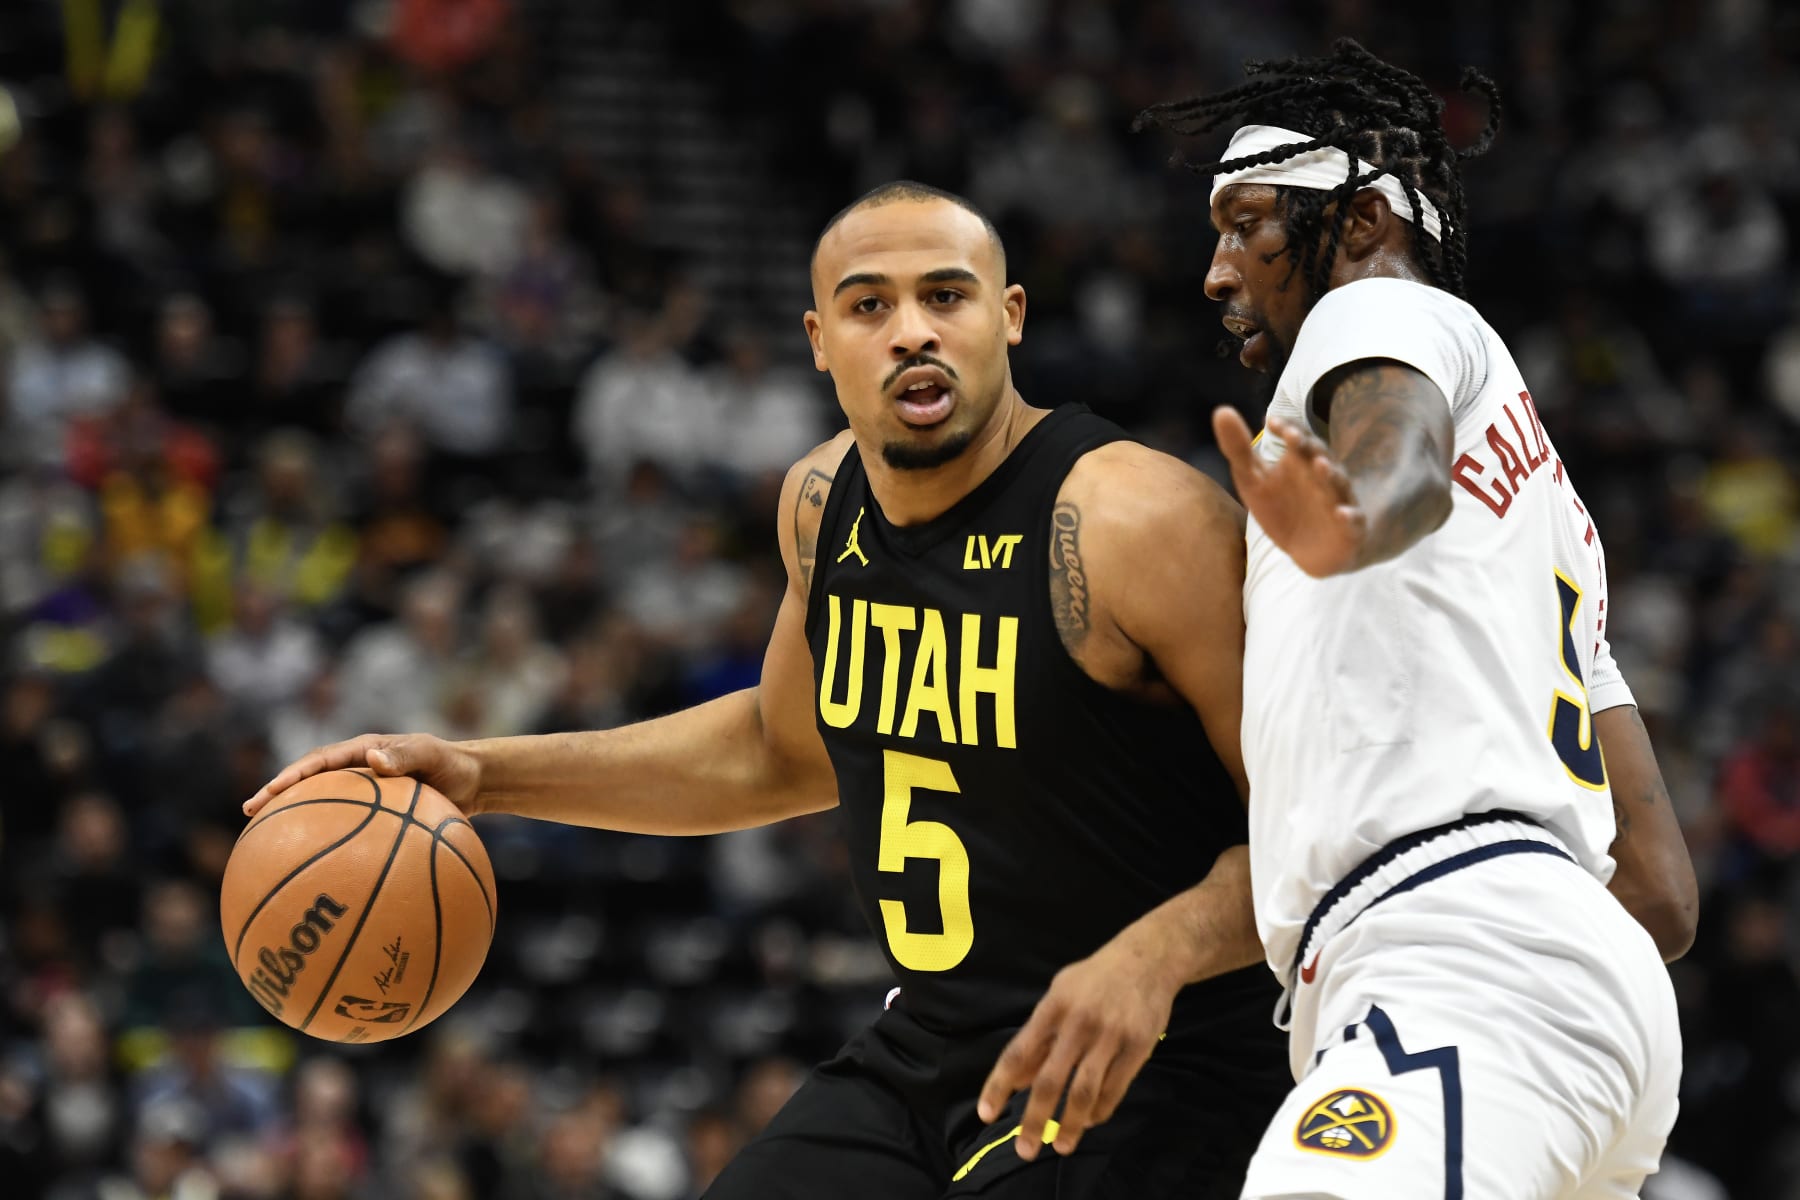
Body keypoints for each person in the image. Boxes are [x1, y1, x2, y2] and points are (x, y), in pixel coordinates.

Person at [245, 181, 1290, 1198]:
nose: (912, 332)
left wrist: (1154, 957)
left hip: (1162, 1058)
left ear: (1009, 319)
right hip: (939, 1047)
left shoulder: (1134, 524)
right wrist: (481, 773)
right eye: (870, 305)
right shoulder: (822, 503)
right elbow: (776, 754)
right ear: (818, 340)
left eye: (947, 295)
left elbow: (1320, 826)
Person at [1134, 39, 1700, 1200]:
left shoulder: (1373, 311)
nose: (1217, 271)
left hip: (1456, 957)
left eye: (1247, 224)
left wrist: (1355, 526)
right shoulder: (1558, 520)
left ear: (1357, 224)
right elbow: (1661, 894)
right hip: (1584, 998)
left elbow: (1400, 468)